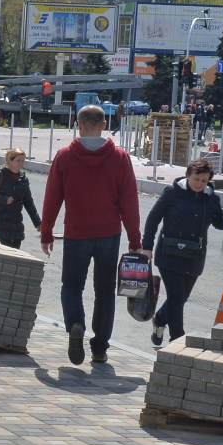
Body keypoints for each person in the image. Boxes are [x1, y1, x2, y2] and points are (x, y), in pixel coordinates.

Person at [40, 104, 144, 365]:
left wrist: (47, 232)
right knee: (105, 291)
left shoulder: (64, 156)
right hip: (109, 234)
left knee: (72, 286)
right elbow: (129, 201)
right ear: (105, 126)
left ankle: (76, 323)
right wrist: (135, 239)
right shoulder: (119, 158)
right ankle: (99, 347)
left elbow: (53, 197)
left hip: (77, 233)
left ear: (78, 124)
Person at [142, 158, 223, 347]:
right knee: (176, 297)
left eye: (204, 181)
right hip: (168, 254)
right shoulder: (172, 193)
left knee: (181, 298)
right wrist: (147, 247)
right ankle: (178, 340)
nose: (200, 184)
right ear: (188, 175)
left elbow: (218, 223)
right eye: (196, 179)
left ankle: (160, 319)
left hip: (194, 256)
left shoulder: (211, 198)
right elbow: (153, 219)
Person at [0, 148, 41, 249]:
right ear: (9, 161)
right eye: (18, 160)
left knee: (15, 254)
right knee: (7, 253)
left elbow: (28, 202)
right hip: (0, 221)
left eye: (23, 161)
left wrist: (38, 222)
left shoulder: (23, 179)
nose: (21, 163)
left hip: (16, 223)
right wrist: (4, 199)